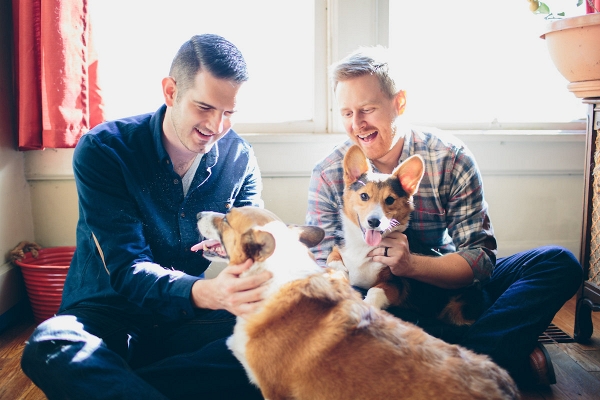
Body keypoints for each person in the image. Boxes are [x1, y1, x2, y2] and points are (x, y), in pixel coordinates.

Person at [306, 45, 583, 388]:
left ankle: (457, 358)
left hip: (446, 280)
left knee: (558, 263)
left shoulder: (449, 157)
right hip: (378, 300)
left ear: (399, 103)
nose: (356, 124)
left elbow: (479, 260)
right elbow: (322, 269)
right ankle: (494, 354)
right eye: (346, 112)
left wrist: (412, 266)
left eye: (367, 109)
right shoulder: (329, 173)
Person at [20, 34, 270, 399]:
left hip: (185, 322)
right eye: (204, 108)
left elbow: (250, 248)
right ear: (170, 92)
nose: (216, 127)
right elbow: (127, 268)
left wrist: (240, 264)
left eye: (229, 113)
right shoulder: (105, 150)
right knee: (49, 344)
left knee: (280, 335)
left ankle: (118, 384)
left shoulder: (240, 159)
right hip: (108, 315)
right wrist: (205, 291)